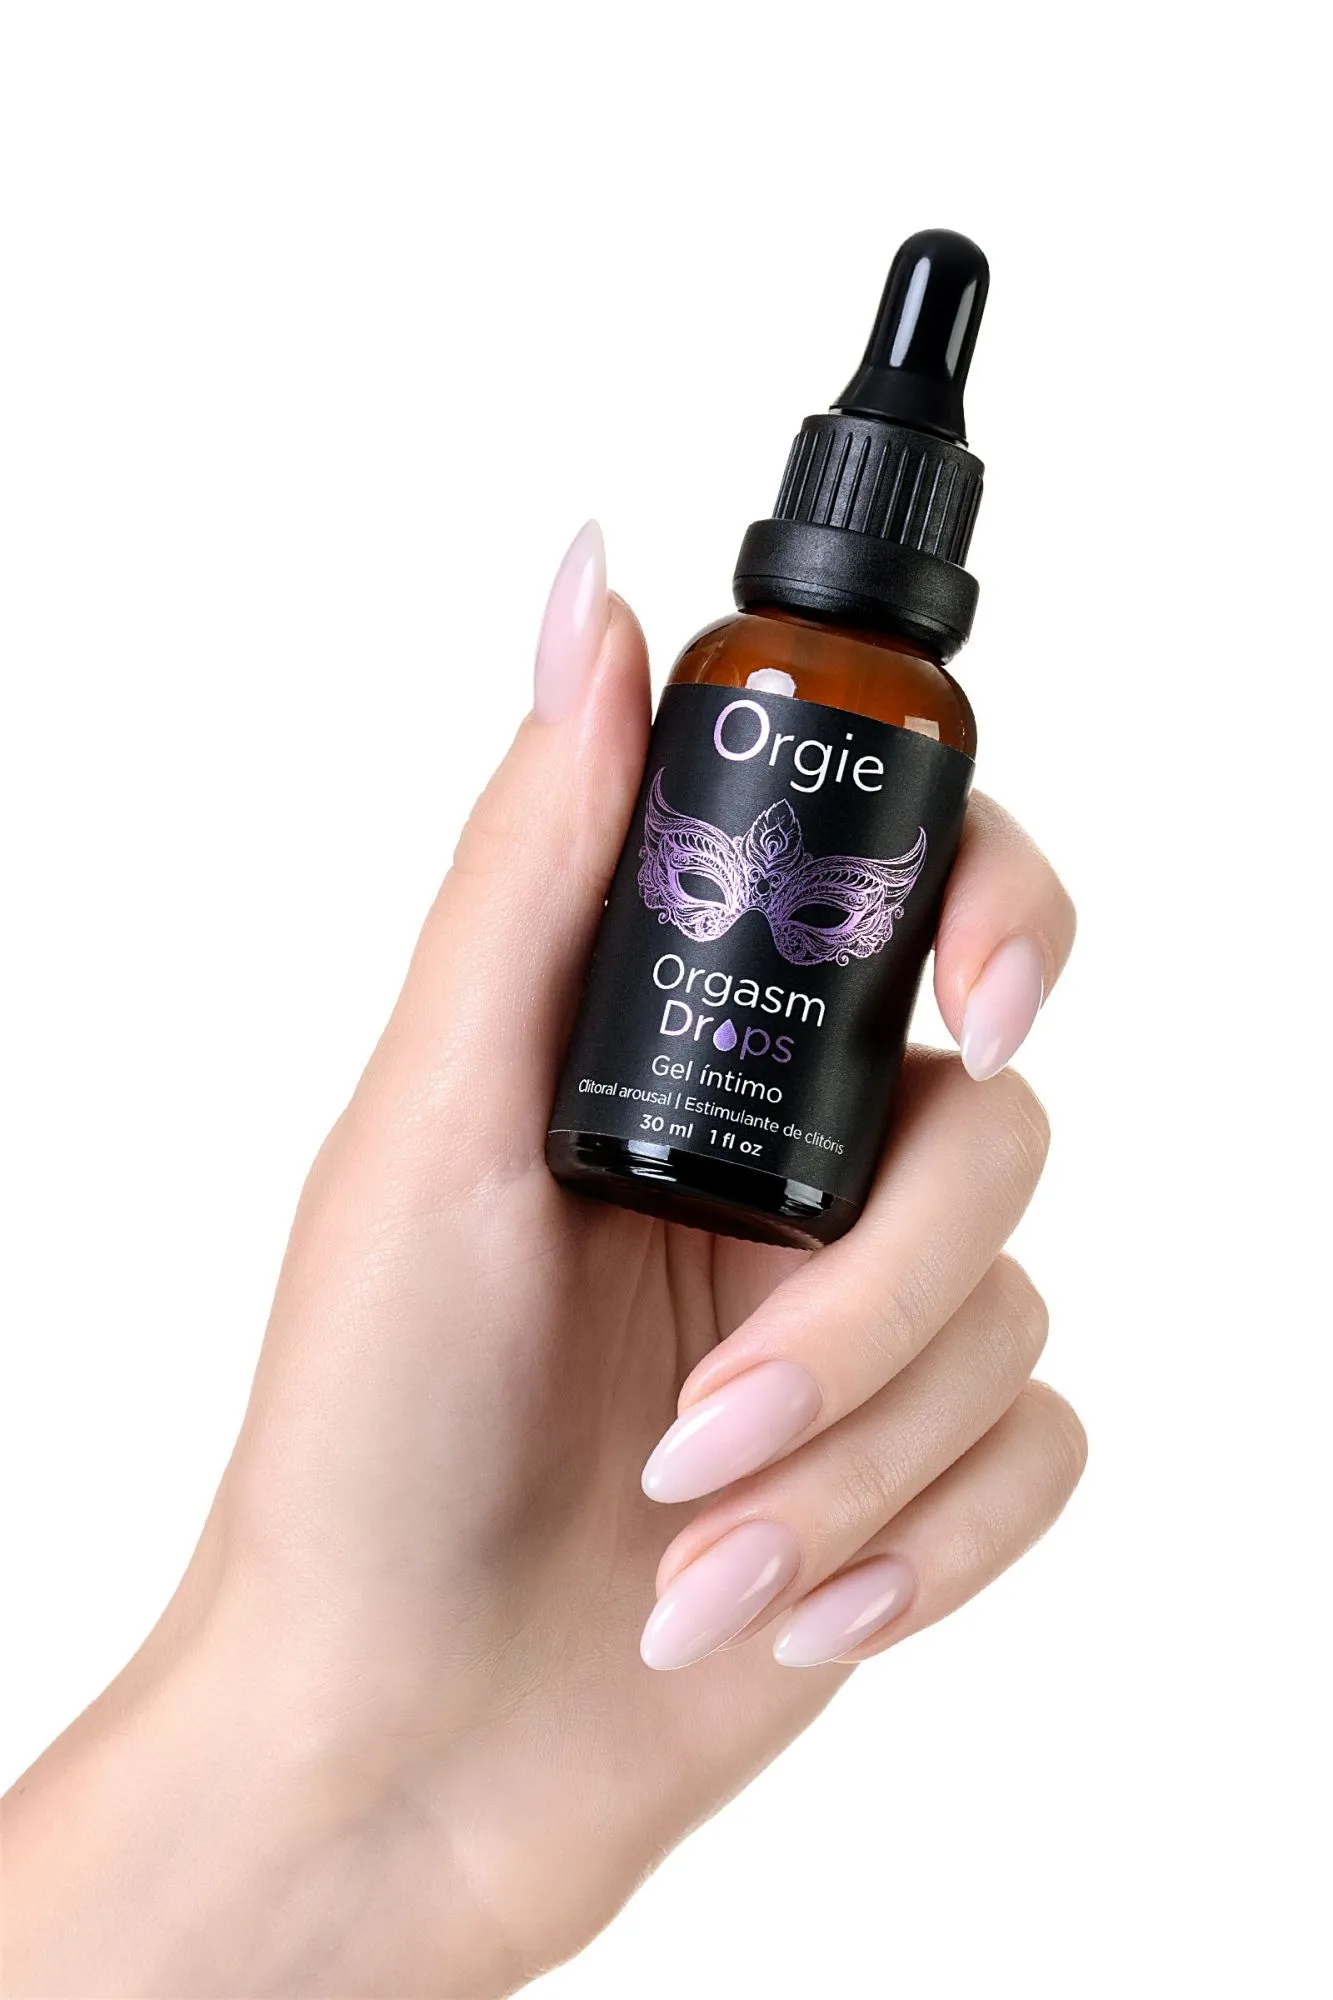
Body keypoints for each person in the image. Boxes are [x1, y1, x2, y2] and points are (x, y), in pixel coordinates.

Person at [3, 525, 1085, 1998]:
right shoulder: (738, 671)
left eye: (831, 909)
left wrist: (386, 1798)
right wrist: (317, 1736)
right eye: (706, 879)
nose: (759, 926)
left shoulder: (897, 713)